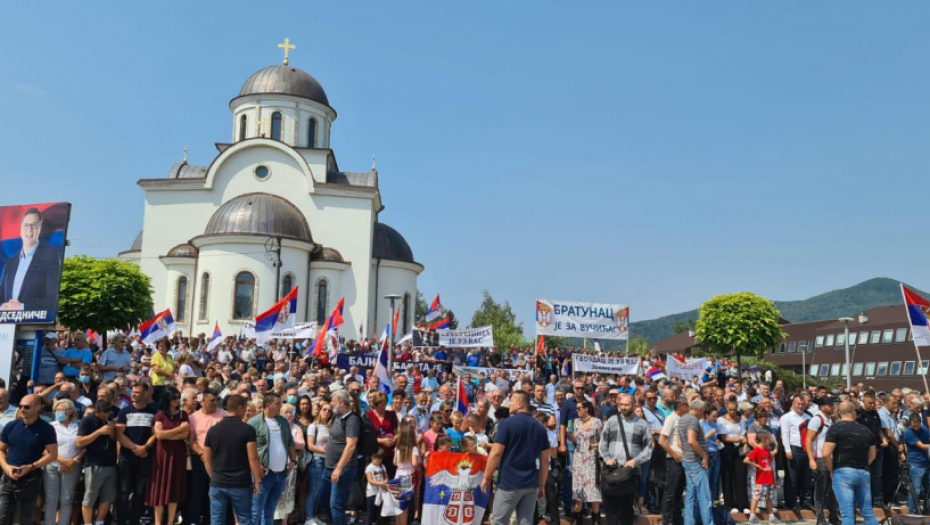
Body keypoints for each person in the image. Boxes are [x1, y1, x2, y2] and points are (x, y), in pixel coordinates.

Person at [481, 390, 551, 525]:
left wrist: (486, 477)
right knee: (526, 522)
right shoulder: (540, 428)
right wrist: (541, 485)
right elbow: (545, 461)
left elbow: (496, 453)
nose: (509, 404)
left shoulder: (506, 424)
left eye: (511, 401)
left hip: (509, 482)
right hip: (531, 483)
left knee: (499, 521)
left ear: (520, 404)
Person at [203, 394, 263, 525]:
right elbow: (253, 458)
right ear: (240, 408)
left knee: (216, 520)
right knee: (245, 519)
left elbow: (206, 459)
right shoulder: (247, 430)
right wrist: (257, 480)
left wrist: (213, 477)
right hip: (240, 483)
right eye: (245, 408)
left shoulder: (212, 430)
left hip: (218, 482)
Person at [0, 394, 58, 525]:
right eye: (20, 406)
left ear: (38, 407)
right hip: (8, 479)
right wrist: (7, 467)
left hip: (31, 480)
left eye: (26, 407)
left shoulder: (46, 429)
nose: (22, 409)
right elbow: (1, 450)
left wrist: (31, 467)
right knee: (2, 518)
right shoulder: (11, 426)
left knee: (25, 520)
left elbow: (52, 455)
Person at [599, 393, 652, 525]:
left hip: (629, 473)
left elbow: (648, 448)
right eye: (621, 404)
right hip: (611, 471)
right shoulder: (612, 421)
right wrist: (606, 458)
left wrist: (635, 461)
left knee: (627, 510)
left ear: (633, 405)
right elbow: (603, 442)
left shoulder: (642, 424)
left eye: (626, 405)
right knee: (610, 509)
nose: (623, 407)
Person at [822, 401, 878, 525]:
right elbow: (873, 455)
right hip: (863, 472)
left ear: (839, 412)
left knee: (847, 514)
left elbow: (826, 454)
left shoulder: (835, 428)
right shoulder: (866, 430)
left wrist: (831, 470)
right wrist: (863, 464)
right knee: (868, 513)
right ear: (854, 412)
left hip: (842, 471)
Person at [0, 207, 62, 313]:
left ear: (40, 229)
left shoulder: (50, 258)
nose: (29, 229)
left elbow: (52, 299)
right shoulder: (11, 262)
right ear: (21, 229)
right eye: (26, 225)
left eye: (34, 225)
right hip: (7, 320)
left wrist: (22, 307)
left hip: (32, 319)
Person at [248, 393, 297, 525]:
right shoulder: (254, 422)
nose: (280, 406)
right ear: (268, 405)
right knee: (255, 511)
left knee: (270, 512)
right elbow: (247, 448)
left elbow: (290, 442)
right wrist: (256, 467)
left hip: (280, 474)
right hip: (263, 475)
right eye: (278, 404)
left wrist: (293, 461)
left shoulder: (283, 421)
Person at [115, 383, 157, 525]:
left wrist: (145, 447)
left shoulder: (154, 412)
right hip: (127, 457)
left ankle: (134, 520)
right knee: (123, 491)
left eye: (138, 392)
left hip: (145, 457)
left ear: (146, 394)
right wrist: (136, 448)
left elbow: (155, 434)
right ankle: (121, 521)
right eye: (133, 391)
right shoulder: (124, 411)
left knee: (140, 493)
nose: (133, 394)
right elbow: (119, 434)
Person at [148, 387, 190, 525]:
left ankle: (170, 522)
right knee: (159, 488)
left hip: (178, 455)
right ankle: (158, 522)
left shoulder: (183, 414)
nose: (177, 400)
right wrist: (178, 429)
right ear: (167, 399)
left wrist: (167, 434)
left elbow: (185, 434)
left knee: (175, 488)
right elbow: (159, 435)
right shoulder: (160, 415)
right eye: (174, 398)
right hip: (162, 455)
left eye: (178, 397)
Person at [77, 399, 119, 525]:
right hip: (94, 464)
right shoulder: (87, 420)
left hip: (110, 463)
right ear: (97, 411)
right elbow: (79, 442)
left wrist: (111, 431)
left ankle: (99, 522)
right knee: (89, 498)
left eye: (109, 412)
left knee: (108, 497)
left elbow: (114, 439)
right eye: (105, 412)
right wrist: (99, 432)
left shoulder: (108, 419)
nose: (107, 414)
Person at [188, 389, 226, 525]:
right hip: (200, 459)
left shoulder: (224, 415)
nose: (215, 403)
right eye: (211, 400)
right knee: (197, 492)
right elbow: (191, 441)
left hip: (219, 459)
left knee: (215, 494)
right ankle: (194, 520)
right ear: (202, 401)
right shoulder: (193, 417)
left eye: (216, 400)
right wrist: (202, 453)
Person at [321, 390, 359, 525]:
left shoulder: (352, 419)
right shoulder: (337, 416)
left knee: (336, 504)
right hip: (329, 467)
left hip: (342, 468)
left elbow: (351, 445)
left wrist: (339, 468)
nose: (331, 404)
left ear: (341, 402)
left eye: (333, 401)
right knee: (323, 499)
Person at [44, 399, 83, 525]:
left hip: (72, 467)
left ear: (70, 411)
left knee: (67, 499)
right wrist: (63, 461)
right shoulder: (50, 426)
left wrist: (73, 461)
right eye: (57, 410)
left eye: (61, 410)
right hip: (52, 466)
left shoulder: (78, 426)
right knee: (51, 500)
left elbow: (84, 447)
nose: (58, 412)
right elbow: (44, 449)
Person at [678, 399, 716, 525]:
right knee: (704, 496)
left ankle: (689, 522)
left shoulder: (682, 419)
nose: (704, 414)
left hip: (687, 459)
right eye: (704, 411)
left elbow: (680, 442)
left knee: (691, 495)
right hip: (696, 461)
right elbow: (691, 440)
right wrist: (704, 455)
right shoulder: (693, 420)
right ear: (700, 410)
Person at [806, 397, 838, 525]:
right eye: (829, 405)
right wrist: (811, 460)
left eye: (832, 404)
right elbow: (808, 440)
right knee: (820, 489)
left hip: (830, 458)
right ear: (822, 406)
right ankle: (820, 518)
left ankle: (833, 517)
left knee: (832, 489)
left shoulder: (830, 419)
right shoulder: (817, 419)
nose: (832, 407)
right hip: (819, 458)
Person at [569, 399, 603, 519]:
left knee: (593, 490)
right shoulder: (575, 422)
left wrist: (593, 446)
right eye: (576, 408)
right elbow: (575, 440)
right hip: (579, 458)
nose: (577, 410)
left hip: (592, 459)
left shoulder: (597, 422)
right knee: (579, 490)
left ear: (586, 409)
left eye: (579, 408)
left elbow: (603, 441)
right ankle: (578, 519)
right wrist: (570, 434)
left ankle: (596, 520)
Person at [660, 398, 688, 525]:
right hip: (673, 460)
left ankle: (677, 520)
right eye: (686, 405)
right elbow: (662, 441)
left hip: (683, 459)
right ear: (681, 407)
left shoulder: (683, 419)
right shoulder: (671, 419)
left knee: (678, 493)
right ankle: (667, 521)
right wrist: (674, 454)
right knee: (670, 493)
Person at [855, 392, 886, 508]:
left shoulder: (875, 414)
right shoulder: (859, 415)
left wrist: (883, 439)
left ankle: (877, 499)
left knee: (877, 475)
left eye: (873, 403)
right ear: (864, 402)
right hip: (865, 449)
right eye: (870, 403)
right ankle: (863, 499)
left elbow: (878, 429)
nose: (872, 405)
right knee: (864, 474)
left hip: (877, 447)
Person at [781, 395, 811, 512]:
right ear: (793, 403)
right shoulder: (786, 417)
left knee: (806, 477)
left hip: (806, 449)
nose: (800, 406)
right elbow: (785, 434)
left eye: (802, 404)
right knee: (792, 477)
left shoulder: (808, 417)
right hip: (794, 448)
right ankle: (791, 502)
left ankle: (805, 501)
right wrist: (787, 450)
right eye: (798, 403)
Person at [305, 402, 332, 525]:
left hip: (328, 462)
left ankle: (314, 516)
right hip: (317, 461)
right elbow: (310, 446)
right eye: (324, 409)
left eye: (329, 410)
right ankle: (309, 518)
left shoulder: (331, 427)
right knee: (314, 490)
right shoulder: (313, 426)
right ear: (320, 411)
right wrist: (324, 451)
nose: (327, 412)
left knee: (320, 491)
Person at [744, 432, 779, 525]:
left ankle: (771, 517)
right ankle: (752, 517)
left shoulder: (767, 451)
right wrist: (757, 466)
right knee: (756, 497)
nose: (770, 442)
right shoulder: (757, 450)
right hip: (761, 479)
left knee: (769, 498)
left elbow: (771, 466)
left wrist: (774, 481)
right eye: (769, 440)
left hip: (769, 479)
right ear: (764, 440)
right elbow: (746, 460)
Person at [902, 412, 930, 515]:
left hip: (926, 463)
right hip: (915, 464)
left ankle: (927, 510)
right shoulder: (908, 432)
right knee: (915, 491)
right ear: (910, 424)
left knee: (928, 490)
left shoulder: (924, 429)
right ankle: (912, 512)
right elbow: (922, 446)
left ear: (920, 423)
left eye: (917, 426)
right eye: (914, 426)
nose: (916, 428)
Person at [364, 450, 388, 525]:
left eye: (380, 459)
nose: (379, 461)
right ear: (373, 459)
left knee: (381, 513)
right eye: (377, 459)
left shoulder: (382, 466)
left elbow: (386, 477)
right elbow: (370, 480)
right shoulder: (369, 467)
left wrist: (385, 482)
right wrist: (381, 484)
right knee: (371, 513)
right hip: (372, 492)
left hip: (382, 492)